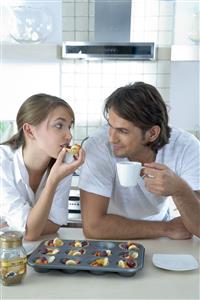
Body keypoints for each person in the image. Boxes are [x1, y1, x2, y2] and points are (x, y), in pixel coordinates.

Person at [79, 82, 200, 240]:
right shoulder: (97, 146)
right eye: (110, 126)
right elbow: (93, 227)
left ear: (152, 133)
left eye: (122, 131)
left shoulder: (186, 146)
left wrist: (181, 191)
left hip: (160, 239)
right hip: (111, 236)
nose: (111, 138)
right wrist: (166, 228)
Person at [0, 93, 85, 241]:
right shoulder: (2, 162)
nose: (69, 135)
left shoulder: (65, 162)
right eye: (59, 125)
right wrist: (53, 181)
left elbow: (54, 223)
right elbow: (30, 233)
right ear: (29, 131)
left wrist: (15, 226)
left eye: (69, 126)